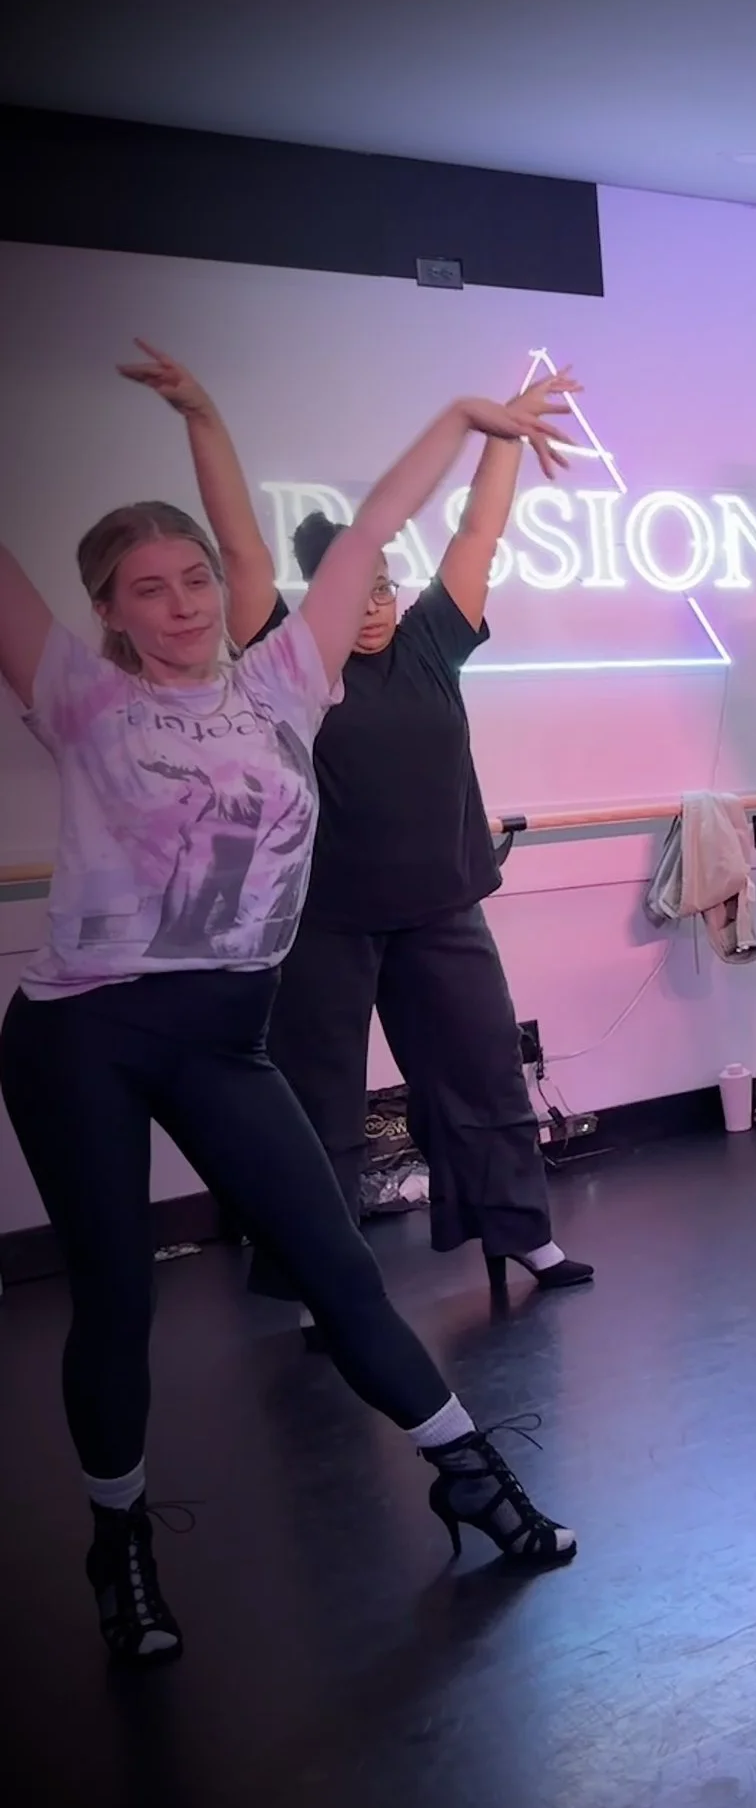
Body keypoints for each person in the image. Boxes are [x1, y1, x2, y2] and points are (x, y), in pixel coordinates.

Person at [0, 380, 581, 1667]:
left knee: (342, 1266)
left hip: (223, 1039)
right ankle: (121, 1540)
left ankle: (469, 1477)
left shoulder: (286, 681)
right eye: (147, 589)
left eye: (195, 578)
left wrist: (465, 419)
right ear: (107, 609)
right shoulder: (79, 698)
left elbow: (375, 524)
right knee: (114, 1303)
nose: (183, 602)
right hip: (82, 1037)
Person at [114, 351, 600, 1327]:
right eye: (357, 595)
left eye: (384, 590)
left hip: (441, 910)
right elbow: (239, 548)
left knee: (482, 1076)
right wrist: (202, 414)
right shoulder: (289, 662)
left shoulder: (431, 641)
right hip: (324, 924)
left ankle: (520, 1229)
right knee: (316, 1102)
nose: (373, 607)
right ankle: (311, 1279)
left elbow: (480, 528)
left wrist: (503, 435)